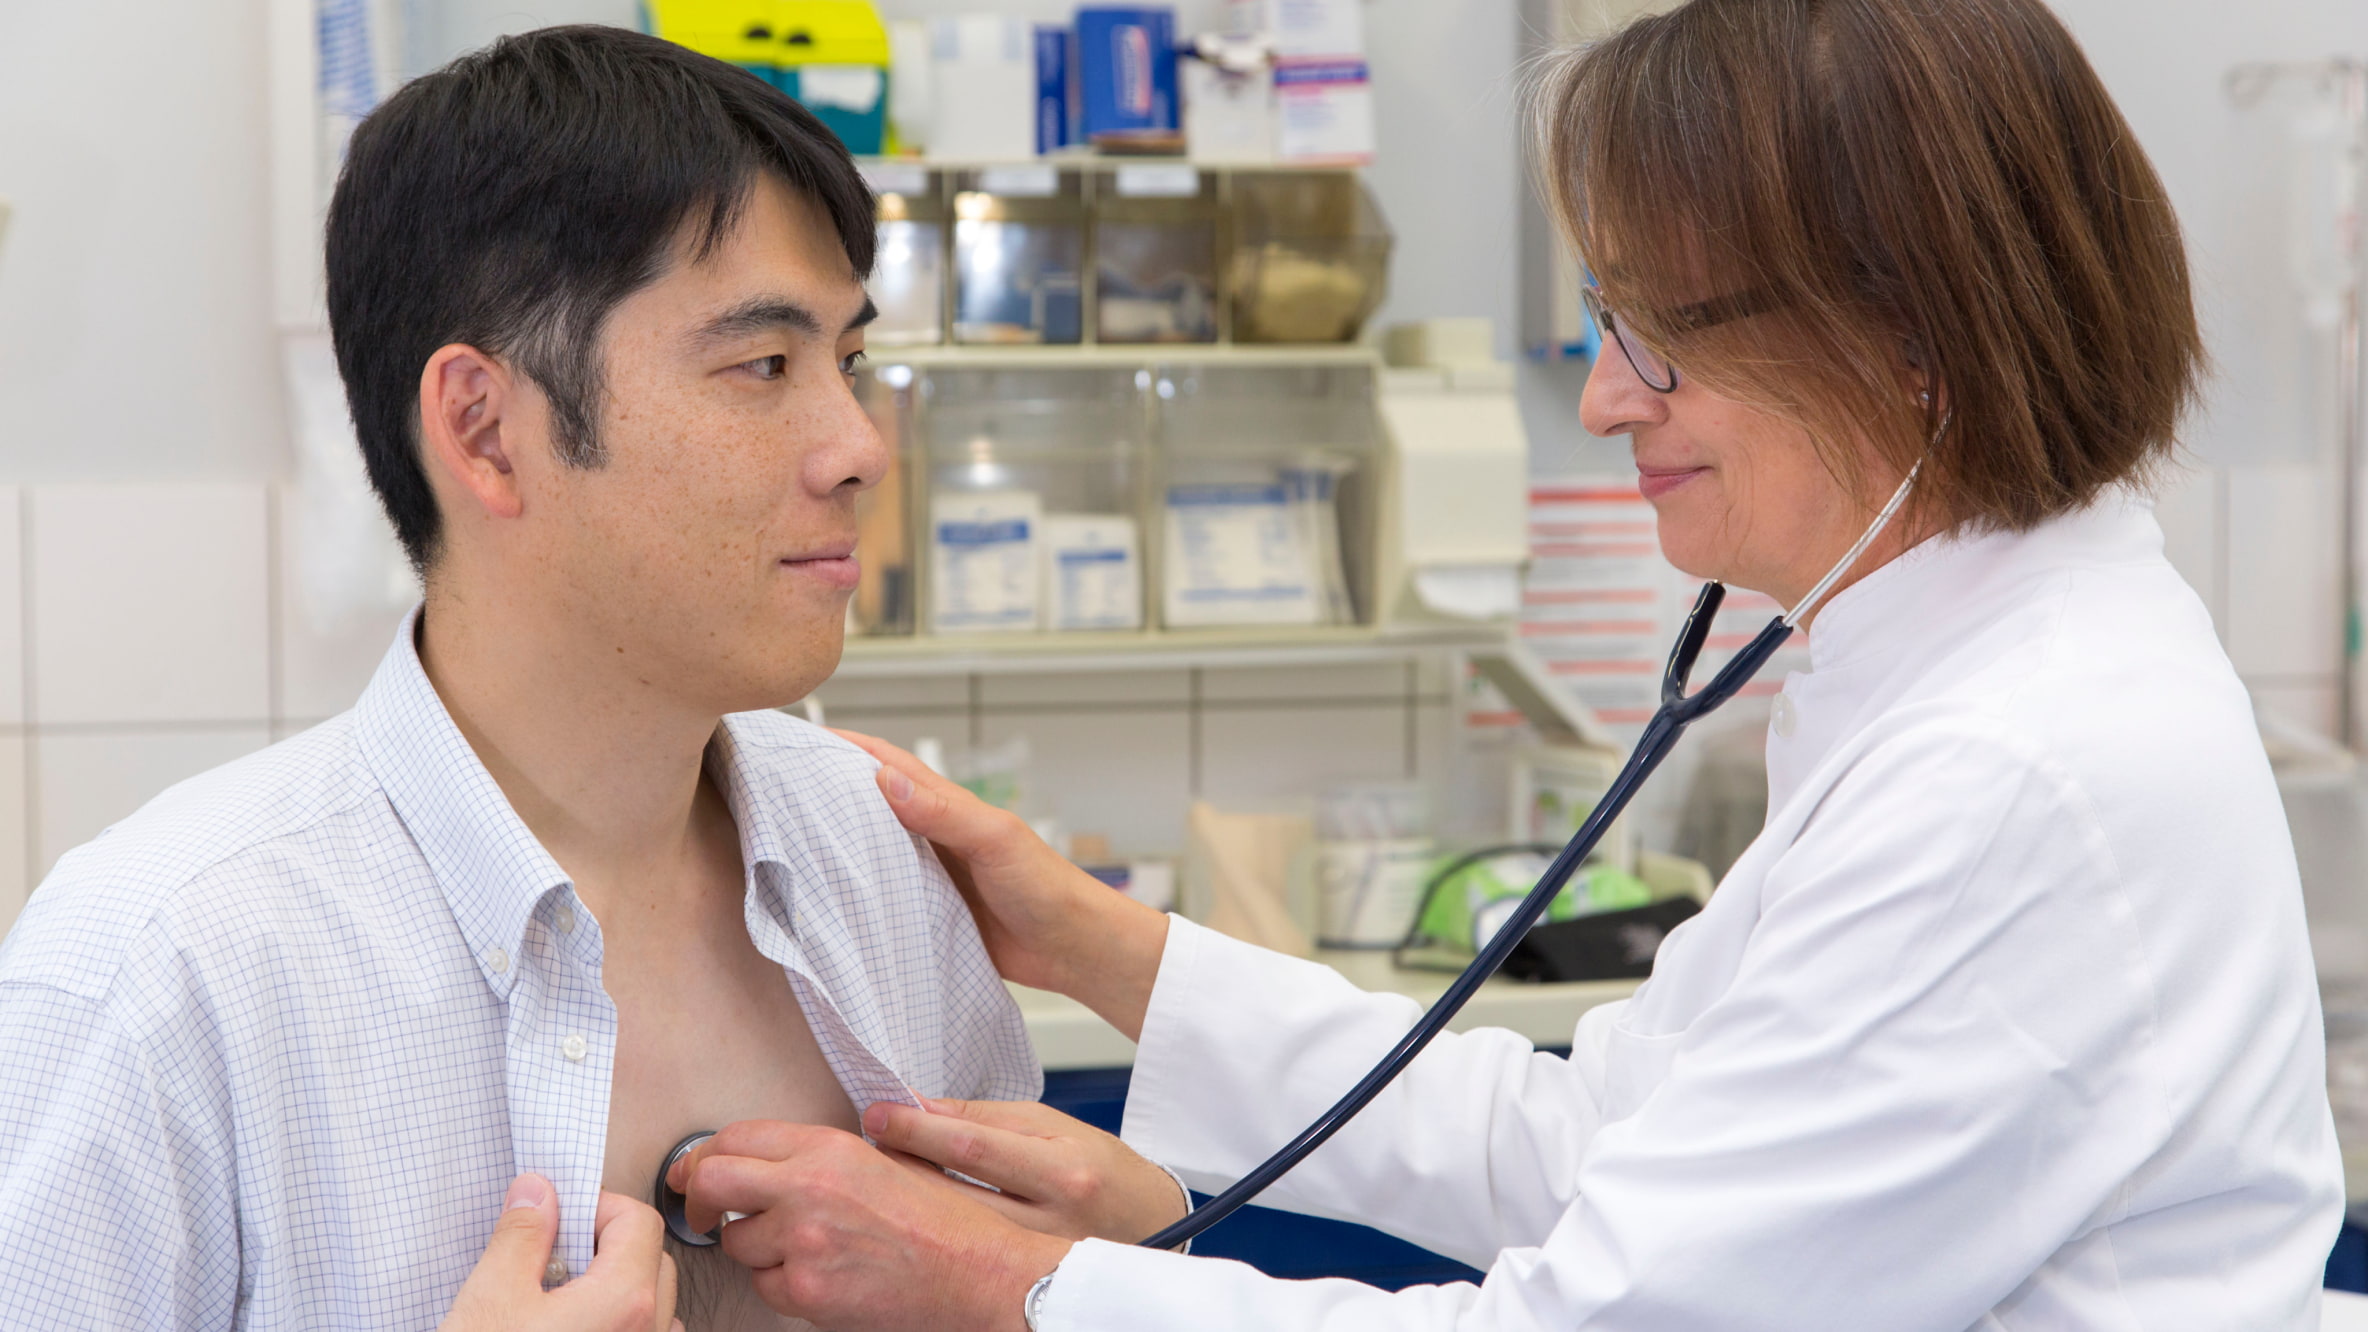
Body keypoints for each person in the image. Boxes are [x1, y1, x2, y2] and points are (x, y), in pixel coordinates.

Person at [659, 0, 2347, 1327]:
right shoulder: (1949, 676)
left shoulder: (2012, 769)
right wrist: (1111, 952)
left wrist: (1014, 1287)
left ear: (1907, 337)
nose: (1609, 399)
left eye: (1656, 335)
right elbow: (1601, 1144)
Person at [0, 25, 1036, 1331]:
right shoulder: (167, 964)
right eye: (765, 366)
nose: (857, 446)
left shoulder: (885, 865)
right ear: (486, 431)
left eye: (852, 361)